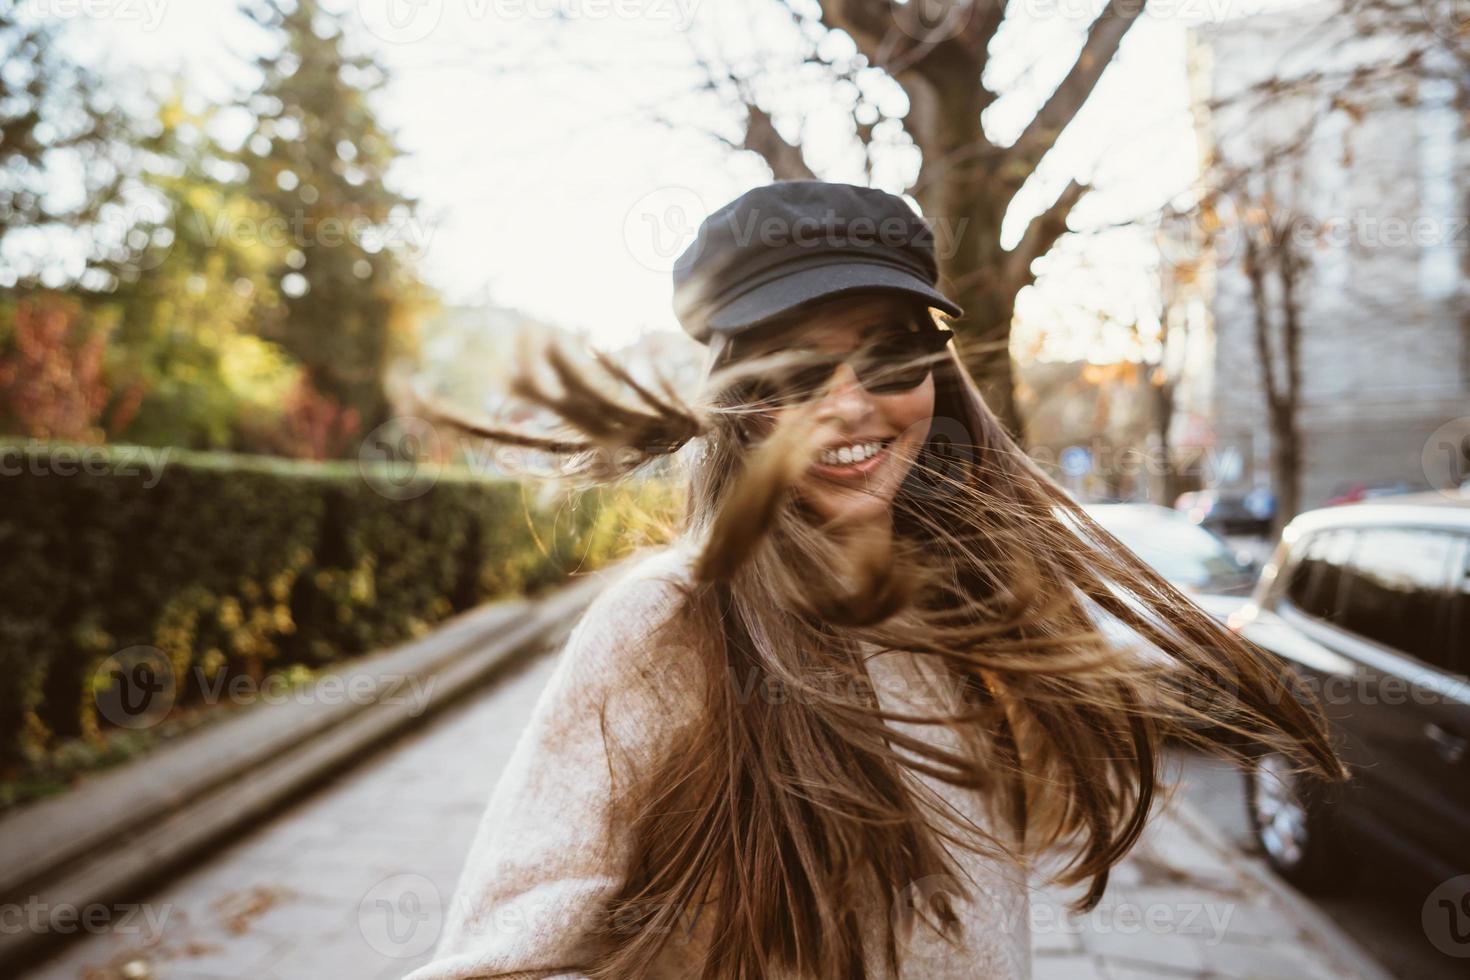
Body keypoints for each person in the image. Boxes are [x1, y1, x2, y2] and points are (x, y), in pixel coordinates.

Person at [402, 181, 1345, 980]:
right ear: (740, 404)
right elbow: (499, 956)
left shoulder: (969, 602)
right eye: (802, 371)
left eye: (892, 359)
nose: (853, 404)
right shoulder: (672, 619)